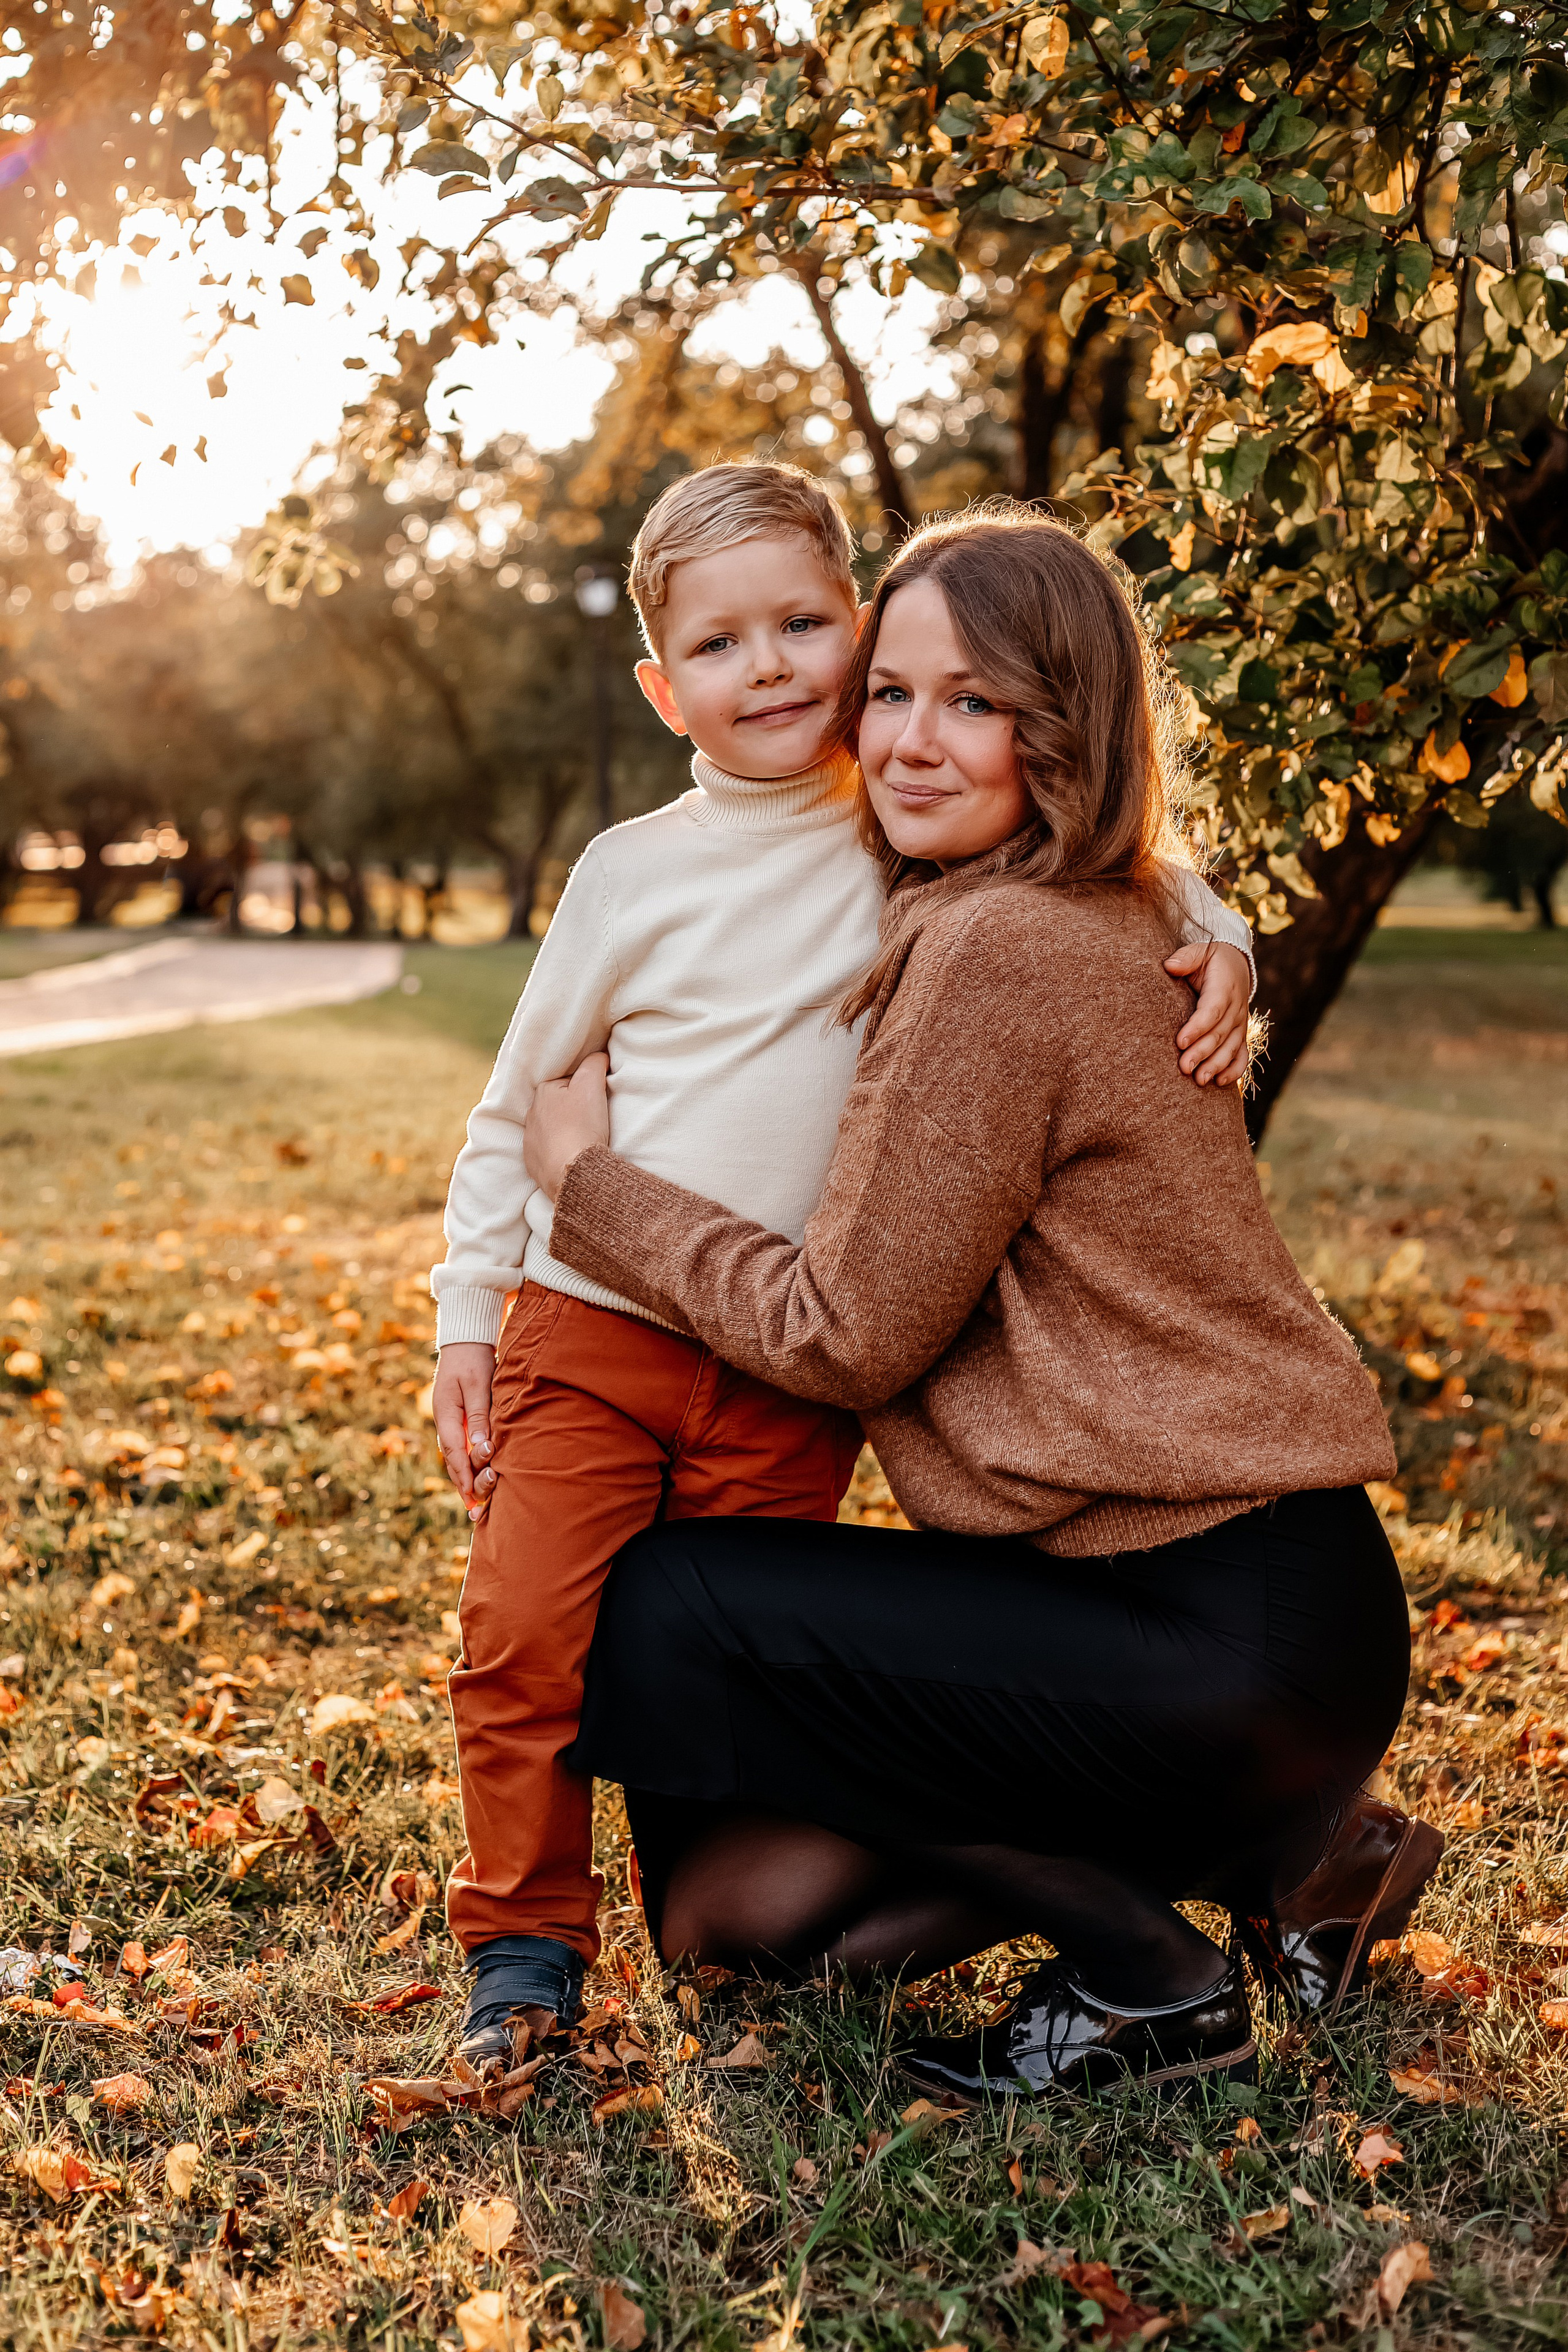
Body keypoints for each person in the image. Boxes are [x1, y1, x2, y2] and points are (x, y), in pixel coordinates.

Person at [522, 506, 1442, 2102]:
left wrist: (587, 1187)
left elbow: (843, 1336)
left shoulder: (1003, 942)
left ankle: (1155, 1981)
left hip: (1215, 1618)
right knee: (740, 1924)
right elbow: (1146, 889)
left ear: (1065, 728)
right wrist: (1219, 927)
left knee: (676, 1600)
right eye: (891, 692)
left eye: (977, 702)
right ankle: (1294, 1865)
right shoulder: (1072, 906)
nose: (910, 742)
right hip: (1242, 1634)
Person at [429, 464, 1259, 2064]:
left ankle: (717, 1916)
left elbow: (1114, 867)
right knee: (528, 1639)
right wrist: (469, 1324)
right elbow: (518, 1104)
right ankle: (524, 1951)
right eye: (726, 645)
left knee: (729, 1672)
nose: (776, 669)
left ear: (862, 625)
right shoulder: (628, 873)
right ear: (666, 684)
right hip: (591, 1325)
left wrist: (1222, 940)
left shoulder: (901, 823)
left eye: (807, 622)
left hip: (779, 1363)